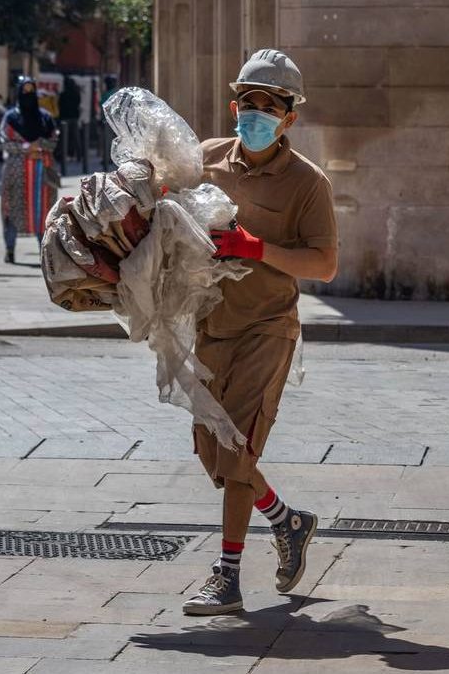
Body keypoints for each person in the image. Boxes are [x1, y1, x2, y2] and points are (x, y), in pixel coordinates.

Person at [182, 49, 338, 616]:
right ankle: (288, 521)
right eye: (249, 101)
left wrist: (256, 249)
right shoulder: (204, 160)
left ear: (290, 118)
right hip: (211, 324)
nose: (257, 112)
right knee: (213, 454)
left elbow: (324, 265)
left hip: (268, 328)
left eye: (271, 105)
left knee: (239, 449)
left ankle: (226, 577)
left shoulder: (308, 184)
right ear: (234, 106)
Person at [0, 76, 58, 263]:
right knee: (12, 209)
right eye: (24, 91)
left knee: (44, 211)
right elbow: (5, 142)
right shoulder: (10, 118)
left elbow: (53, 140)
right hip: (17, 174)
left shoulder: (45, 118)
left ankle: (45, 251)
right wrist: (26, 148)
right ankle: (10, 249)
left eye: (31, 91)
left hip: (42, 173)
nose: (28, 95)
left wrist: (38, 146)